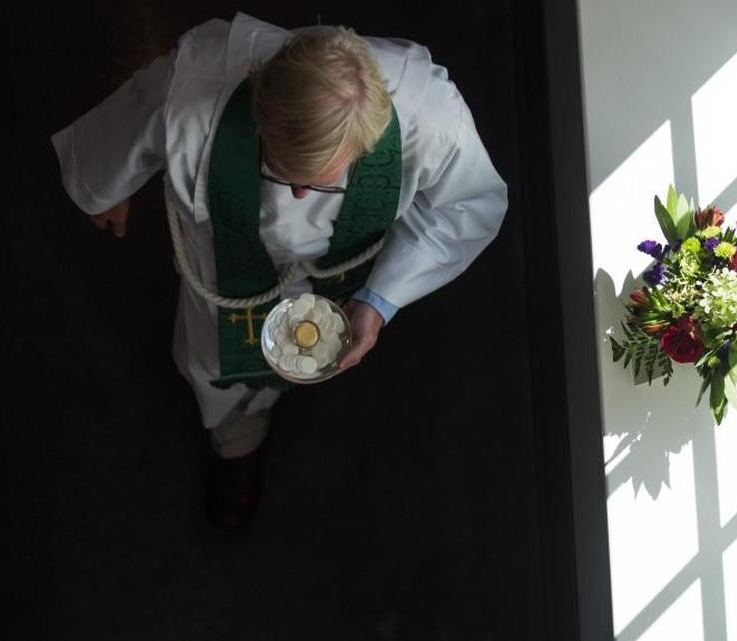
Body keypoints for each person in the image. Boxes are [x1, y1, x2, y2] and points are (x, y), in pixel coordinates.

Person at [51, 12, 508, 528]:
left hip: (340, 257)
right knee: (214, 358)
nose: (295, 196)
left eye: (317, 182)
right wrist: (111, 186)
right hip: (225, 254)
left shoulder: (429, 113)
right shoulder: (196, 83)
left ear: (367, 144)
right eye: (282, 171)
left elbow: (467, 207)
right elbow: (130, 125)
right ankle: (236, 442)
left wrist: (379, 300)